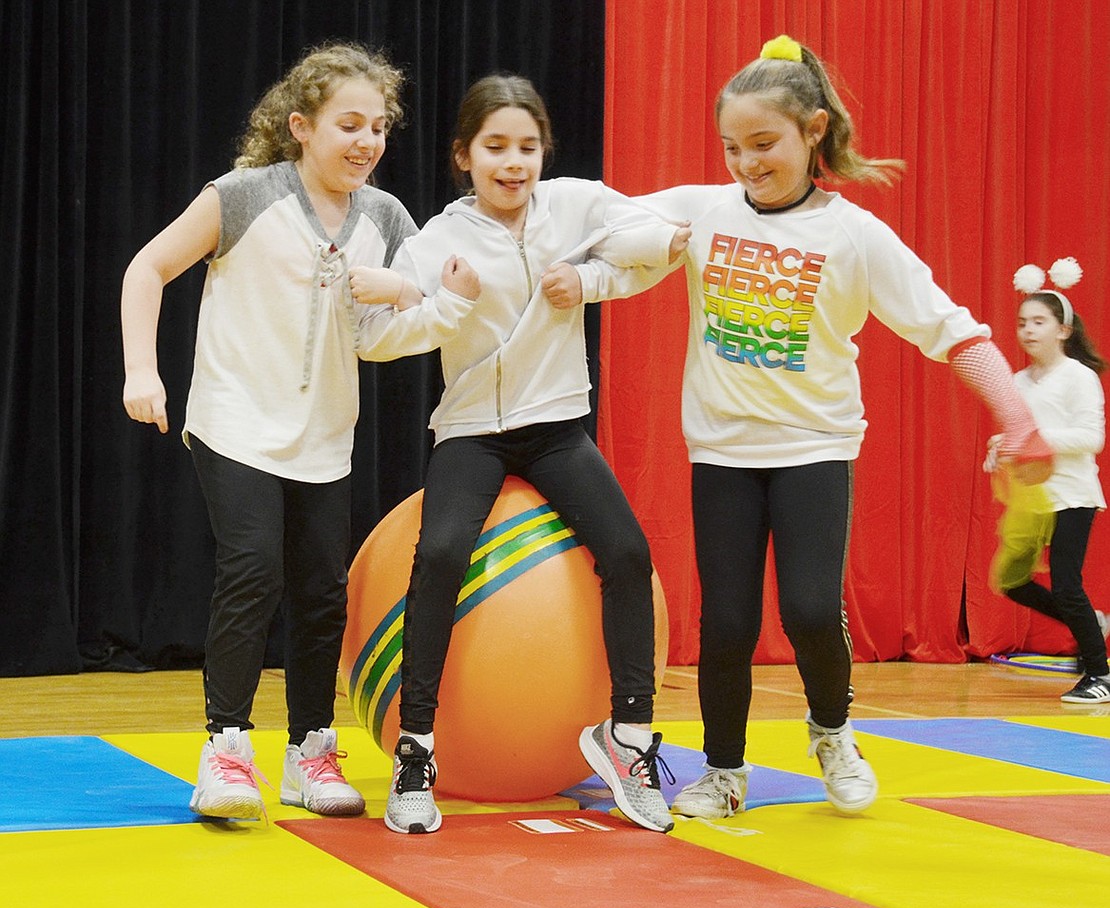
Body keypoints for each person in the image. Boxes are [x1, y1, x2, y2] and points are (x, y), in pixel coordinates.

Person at [571, 34, 1055, 820]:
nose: (746, 163)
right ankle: (724, 771)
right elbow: (600, 226)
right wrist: (662, 240)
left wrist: (1017, 416)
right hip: (723, 452)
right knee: (725, 622)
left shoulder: (852, 235)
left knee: (804, 611)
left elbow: (951, 329)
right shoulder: (704, 208)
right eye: (732, 147)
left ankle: (832, 731)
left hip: (815, 450)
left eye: (764, 144)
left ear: (814, 131)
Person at [120, 43, 480, 821]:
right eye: (349, 124)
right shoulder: (244, 196)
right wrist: (141, 372)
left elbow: (377, 338)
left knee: (321, 595)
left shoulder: (385, 217)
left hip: (324, 440)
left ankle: (310, 754)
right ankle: (225, 752)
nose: (367, 141)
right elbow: (146, 268)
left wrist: (431, 298)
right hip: (234, 424)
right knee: (252, 570)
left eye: (379, 127)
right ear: (301, 127)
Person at [370, 73, 689, 835]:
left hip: (554, 425)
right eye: (495, 147)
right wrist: (446, 302)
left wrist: (588, 280)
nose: (513, 162)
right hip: (472, 431)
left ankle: (631, 738)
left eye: (527, 146)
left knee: (628, 553)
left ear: (544, 150)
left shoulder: (578, 205)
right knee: (440, 552)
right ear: (463, 156)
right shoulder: (437, 239)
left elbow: (664, 247)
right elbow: (384, 336)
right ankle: (416, 752)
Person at [985, 258, 1107, 703]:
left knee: (1066, 583)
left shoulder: (1080, 376)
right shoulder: (1016, 381)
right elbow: (1018, 433)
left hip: (1072, 494)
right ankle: (1092, 623)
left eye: (1039, 321)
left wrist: (1036, 439)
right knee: (1013, 580)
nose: (1028, 330)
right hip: (1033, 497)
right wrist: (1000, 447)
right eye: (1022, 323)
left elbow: (1092, 437)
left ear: (1063, 330)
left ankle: (1100, 674)